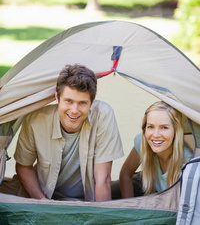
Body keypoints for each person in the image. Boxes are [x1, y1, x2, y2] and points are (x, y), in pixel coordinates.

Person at [14, 64, 124, 201]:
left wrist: (101, 217)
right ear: (57, 98)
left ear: (92, 102)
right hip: (44, 199)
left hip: (85, 203)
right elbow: (24, 166)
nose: (74, 110)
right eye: (68, 101)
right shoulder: (35, 121)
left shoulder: (103, 115)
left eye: (82, 103)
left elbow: (104, 179)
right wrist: (43, 202)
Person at [119, 101, 193, 198]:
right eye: (150, 127)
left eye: (164, 127)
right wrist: (128, 209)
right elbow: (125, 175)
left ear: (176, 131)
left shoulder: (187, 164)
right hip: (150, 192)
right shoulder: (142, 142)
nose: (156, 135)